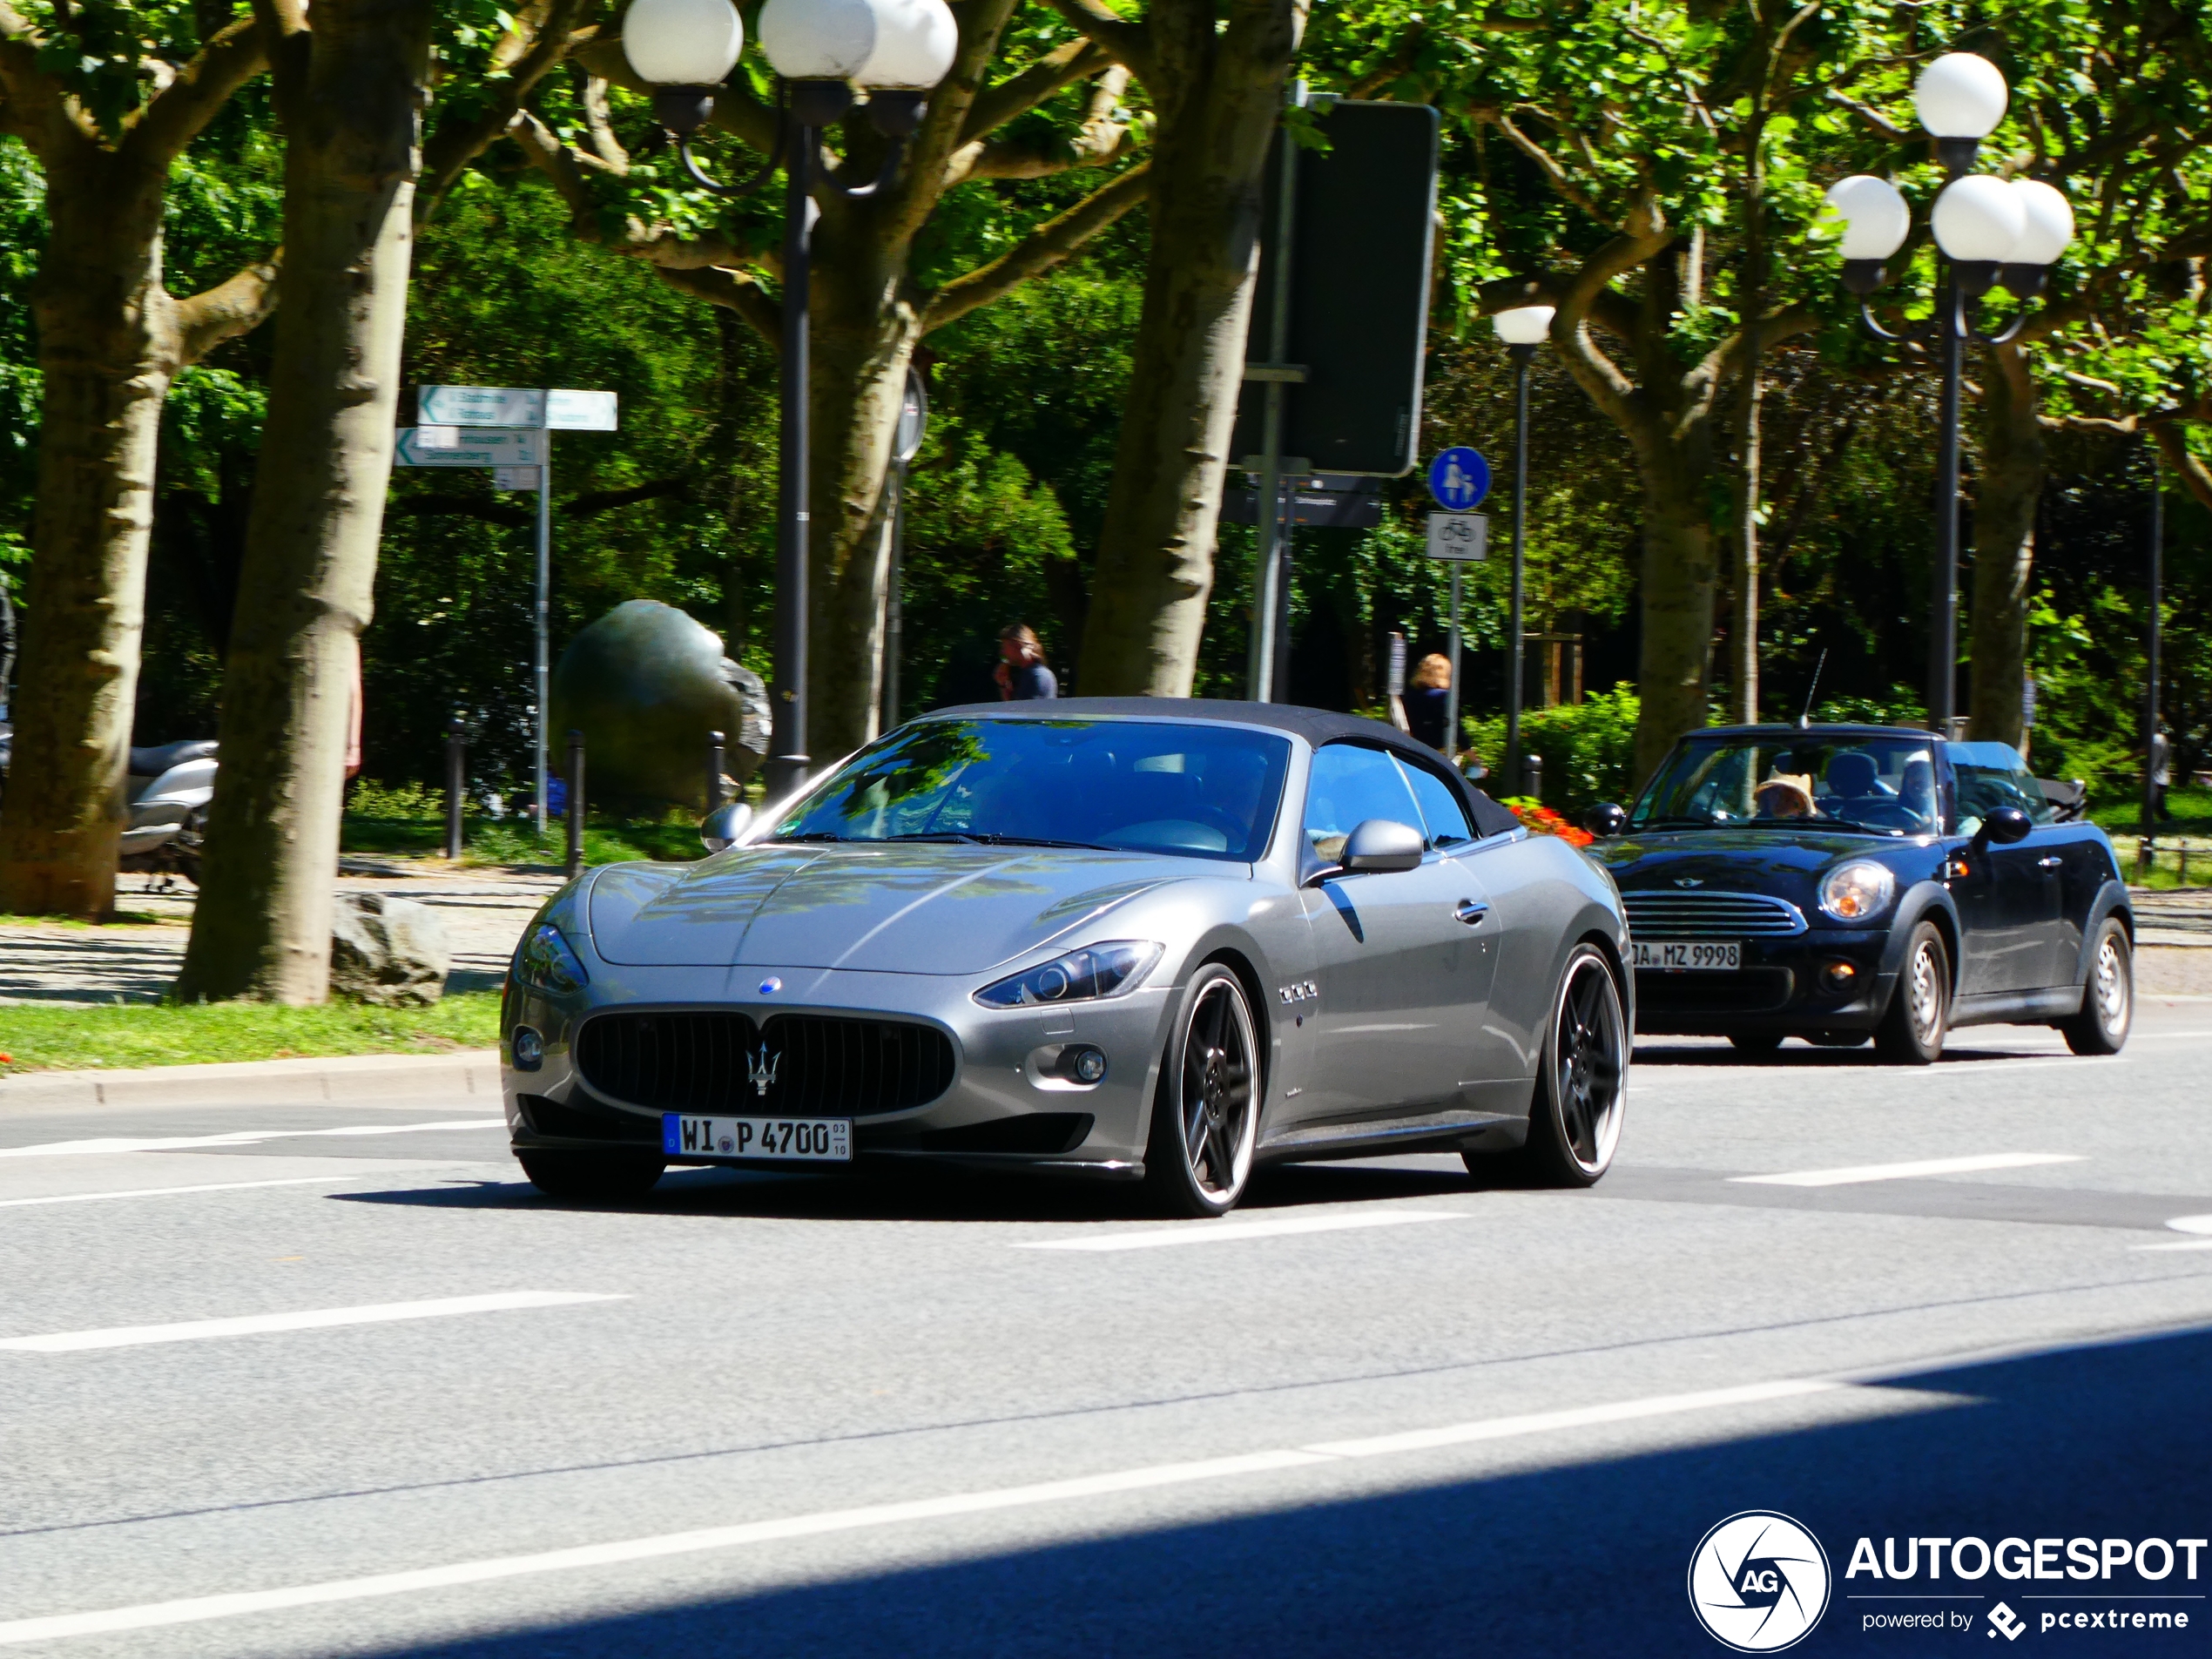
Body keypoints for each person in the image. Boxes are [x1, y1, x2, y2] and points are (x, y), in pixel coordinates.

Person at [994, 624, 1057, 701]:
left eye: (1004, 647)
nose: (1003, 652)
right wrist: (1003, 685)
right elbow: (1012, 709)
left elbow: (1027, 712)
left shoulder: (1038, 676)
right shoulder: (1026, 674)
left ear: (1018, 646)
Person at [1405, 653, 1452, 754]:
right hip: (1435, 753)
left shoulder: (1410, 696)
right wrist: (1475, 760)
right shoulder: (1442, 696)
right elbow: (1456, 728)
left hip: (1412, 748)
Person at [2150, 721, 2172, 821]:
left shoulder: (2155, 739)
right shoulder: (2163, 739)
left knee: (2156, 806)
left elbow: (2143, 751)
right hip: (2163, 777)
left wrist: (2121, 759)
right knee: (2153, 805)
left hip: (2156, 778)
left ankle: (2170, 823)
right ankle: (2145, 825)